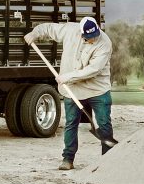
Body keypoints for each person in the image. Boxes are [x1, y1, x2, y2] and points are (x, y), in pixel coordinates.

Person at [25, 16, 113, 170]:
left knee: (104, 123)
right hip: (72, 90)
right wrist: (35, 33)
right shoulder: (70, 30)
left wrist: (66, 77)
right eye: (89, 37)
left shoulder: (104, 43)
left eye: (95, 36)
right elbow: (50, 28)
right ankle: (68, 159)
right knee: (71, 124)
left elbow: (93, 70)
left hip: (97, 89)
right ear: (81, 33)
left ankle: (108, 161)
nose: (93, 39)